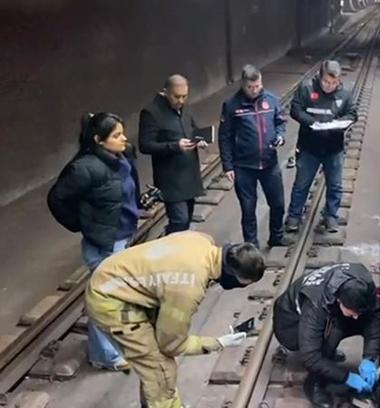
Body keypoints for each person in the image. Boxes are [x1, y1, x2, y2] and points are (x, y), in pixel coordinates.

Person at [85, 231, 264, 408]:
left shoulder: (202, 240)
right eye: (243, 283)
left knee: (153, 363)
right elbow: (170, 344)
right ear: (233, 274)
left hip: (117, 278)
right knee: (160, 369)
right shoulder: (188, 288)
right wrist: (218, 342)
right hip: (110, 300)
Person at [47, 112, 139, 371]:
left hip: (121, 237)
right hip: (105, 243)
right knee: (104, 299)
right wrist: (81, 224)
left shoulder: (120, 158)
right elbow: (57, 199)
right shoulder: (86, 168)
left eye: (122, 133)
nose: (124, 139)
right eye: (117, 135)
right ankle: (104, 355)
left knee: (117, 296)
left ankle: (115, 345)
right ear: (99, 140)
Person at [273, 263, 380, 408]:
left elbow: (375, 316)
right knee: (333, 332)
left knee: (368, 318)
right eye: (352, 312)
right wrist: (346, 377)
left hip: (327, 312)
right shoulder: (316, 305)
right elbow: (310, 357)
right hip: (290, 326)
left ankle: (328, 355)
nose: (356, 317)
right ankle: (314, 383)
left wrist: (369, 357)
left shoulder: (364, 281)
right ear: (339, 300)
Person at [219, 65, 289, 248]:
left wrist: (280, 136)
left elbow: (280, 122)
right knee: (248, 210)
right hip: (244, 166)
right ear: (243, 85)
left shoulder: (272, 100)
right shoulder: (232, 105)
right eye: (250, 87)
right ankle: (251, 245)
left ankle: (276, 237)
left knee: (278, 204)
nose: (254, 90)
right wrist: (228, 166)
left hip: (269, 163)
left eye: (258, 86)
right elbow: (224, 137)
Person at [285, 60, 358, 234]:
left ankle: (331, 215)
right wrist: (311, 122)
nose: (329, 86)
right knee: (302, 183)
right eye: (326, 82)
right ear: (319, 76)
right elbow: (295, 109)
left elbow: (352, 113)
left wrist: (339, 123)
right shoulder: (306, 89)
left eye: (334, 83)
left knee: (335, 184)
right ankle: (294, 216)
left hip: (333, 148)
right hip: (309, 147)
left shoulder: (345, 95)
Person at [139, 75, 206, 235]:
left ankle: (178, 247)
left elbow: (192, 127)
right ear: (166, 92)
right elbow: (145, 145)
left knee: (187, 218)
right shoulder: (151, 112)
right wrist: (174, 146)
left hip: (190, 173)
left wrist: (200, 138)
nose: (181, 101)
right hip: (171, 178)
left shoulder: (185, 107)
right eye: (177, 96)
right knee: (179, 220)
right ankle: (169, 245)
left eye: (184, 96)